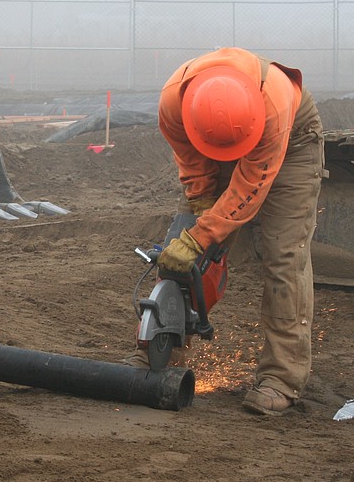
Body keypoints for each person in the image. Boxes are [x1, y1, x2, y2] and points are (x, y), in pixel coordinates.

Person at [138, 47, 325, 417]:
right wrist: (200, 214)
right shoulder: (174, 103)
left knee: (284, 258)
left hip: (291, 146)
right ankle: (160, 349)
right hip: (212, 145)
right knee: (182, 250)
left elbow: (248, 191)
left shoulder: (273, 108)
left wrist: (201, 238)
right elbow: (192, 164)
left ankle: (281, 378)